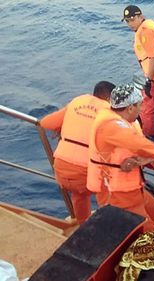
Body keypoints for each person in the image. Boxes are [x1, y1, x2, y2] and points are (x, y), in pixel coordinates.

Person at [87, 84, 154, 232]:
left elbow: (138, 150)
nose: (142, 109)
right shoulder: (110, 127)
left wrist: (146, 160)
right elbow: (139, 144)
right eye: (140, 105)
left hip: (134, 187)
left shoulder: (125, 122)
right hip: (117, 192)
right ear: (130, 108)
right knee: (146, 229)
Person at [39, 81, 115, 224]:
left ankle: (82, 224)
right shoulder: (110, 111)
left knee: (79, 195)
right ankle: (110, 223)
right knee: (110, 190)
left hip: (61, 169)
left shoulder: (77, 101)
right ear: (111, 98)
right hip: (86, 172)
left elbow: (45, 123)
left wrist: (65, 127)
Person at [122, 5, 154, 137]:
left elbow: (153, 58)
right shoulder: (149, 26)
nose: (130, 24)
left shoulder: (145, 32)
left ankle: (148, 138)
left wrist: (148, 81)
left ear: (140, 16)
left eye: (132, 19)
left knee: (146, 110)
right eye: (127, 21)